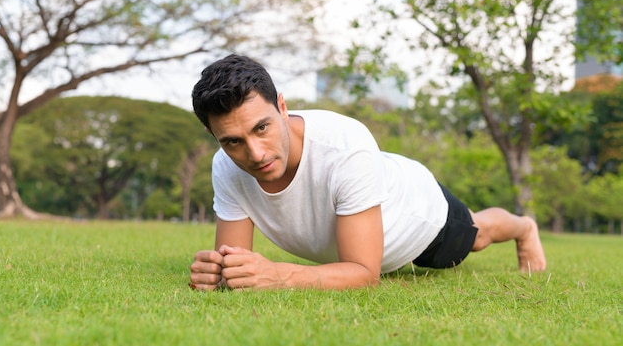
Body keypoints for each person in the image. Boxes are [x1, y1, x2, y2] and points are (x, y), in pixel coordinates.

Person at [188, 54, 547, 291]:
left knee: (477, 235)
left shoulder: (343, 145)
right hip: (370, 174)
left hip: (416, 211)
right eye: (233, 141)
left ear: (282, 106)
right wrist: (220, 272)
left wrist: (280, 275)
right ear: (215, 136)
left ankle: (523, 227)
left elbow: (363, 272)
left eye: (262, 128)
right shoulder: (225, 165)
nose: (255, 154)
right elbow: (233, 259)